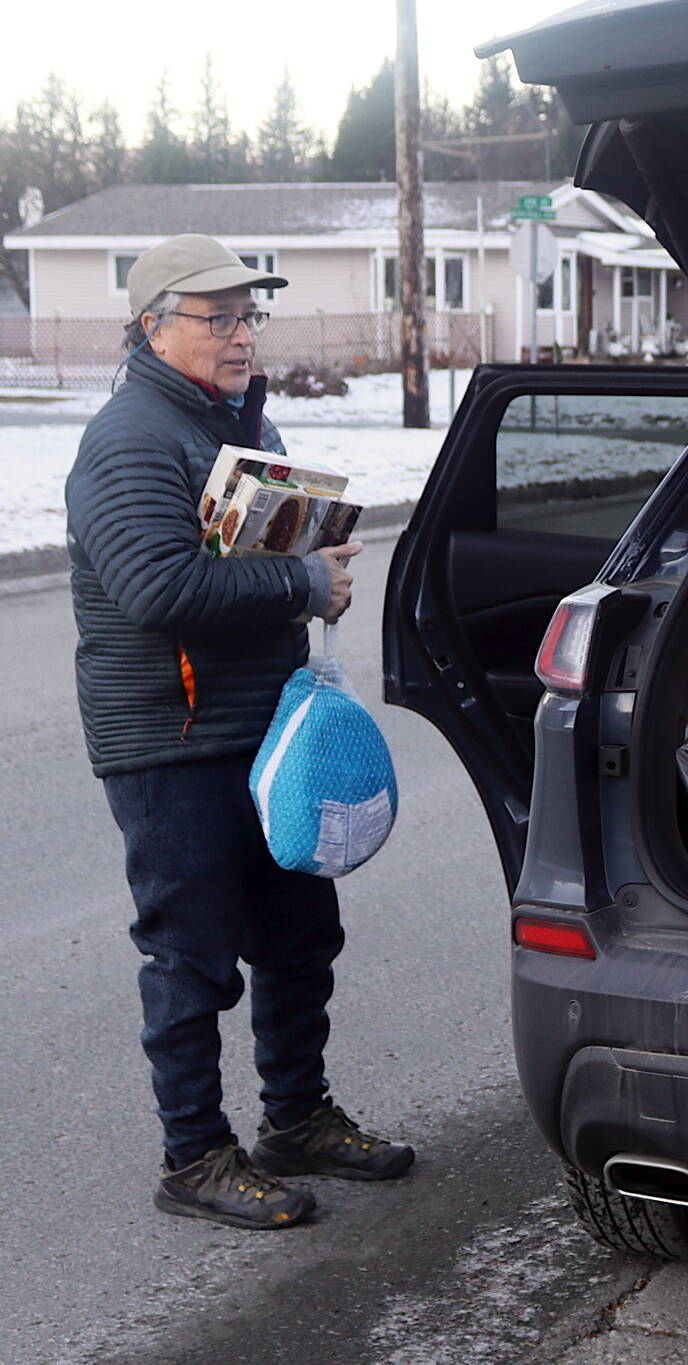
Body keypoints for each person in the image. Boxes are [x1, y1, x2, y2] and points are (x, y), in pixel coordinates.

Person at [67, 234, 414, 1231]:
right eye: (214, 318)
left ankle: (296, 1118)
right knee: (193, 955)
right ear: (151, 328)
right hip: (171, 743)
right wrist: (304, 580)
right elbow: (156, 588)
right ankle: (194, 1156)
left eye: (246, 316)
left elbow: (228, 569)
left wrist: (311, 564)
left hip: (258, 726)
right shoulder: (134, 437)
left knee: (299, 935)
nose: (239, 336)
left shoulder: (218, 428)